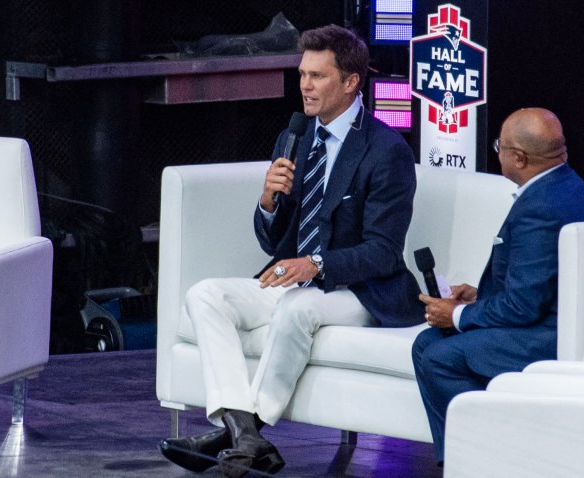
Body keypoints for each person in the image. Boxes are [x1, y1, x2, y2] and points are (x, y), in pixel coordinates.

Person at [159, 24, 424, 477]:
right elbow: (273, 241)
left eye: (318, 76)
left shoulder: (385, 150)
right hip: (296, 276)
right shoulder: (295, 137)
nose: (305, 85)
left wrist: (316, 263)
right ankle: (246, 434)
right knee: (206, 295)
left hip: (359, 289)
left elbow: (382, 252)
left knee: (297, 310)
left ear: (350, 81)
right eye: (302, 74)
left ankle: (238, 435)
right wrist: (266, 202)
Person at [412, 108, 584, 464]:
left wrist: (458, 314)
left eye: (500, 146)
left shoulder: (542, 206)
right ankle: (455, 461)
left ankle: (492, 459)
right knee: (426, 344)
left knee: (440, 357)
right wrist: (478, 296)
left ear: (519, 158)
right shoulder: (562, 185)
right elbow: (536, 285)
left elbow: (523, 307)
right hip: (542, 320)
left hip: (547, 336)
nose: (496, 151)